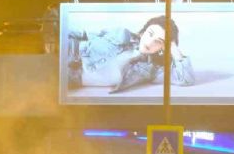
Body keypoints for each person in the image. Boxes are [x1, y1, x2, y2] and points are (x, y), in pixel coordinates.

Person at [67, 15, 195, 94]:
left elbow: (186, 79)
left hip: (73, 78)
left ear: (163, 47)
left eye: (158, 41)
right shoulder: (122, 33)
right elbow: (84, 35)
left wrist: (172, 45)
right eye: (150, 34)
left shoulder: (151, 70)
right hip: (70, 52)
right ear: (143, 31)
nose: (150, 42)